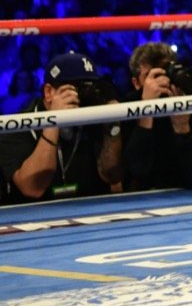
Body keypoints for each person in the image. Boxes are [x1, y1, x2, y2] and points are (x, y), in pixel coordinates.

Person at [0, 52, 123, 203]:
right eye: (76, 87)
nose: (81, 95)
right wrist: (54, 121)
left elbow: (112, 178)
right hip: (34, 217)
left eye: (88, 87)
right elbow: (32, 188)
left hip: (89, 209)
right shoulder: (19, 125)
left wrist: (113, 126)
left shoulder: (93, 116)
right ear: (49, 92)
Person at [120, 42, 192, 191]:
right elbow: (137, 171)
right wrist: (147, 112)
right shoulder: (127, 107)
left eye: (164, 73)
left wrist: (183, 129)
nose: (160, 82)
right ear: (136, 83)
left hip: (188, 195)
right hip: (143, 197)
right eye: (152, 76)